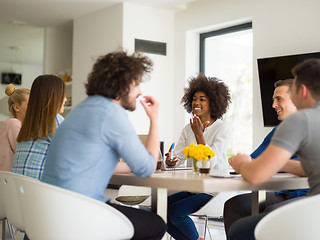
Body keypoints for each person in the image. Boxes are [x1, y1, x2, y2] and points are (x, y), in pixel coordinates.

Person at [41, 50, 166, 240]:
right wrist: (154, 119)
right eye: (137, 84)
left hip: (51, 212)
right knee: (156, 225)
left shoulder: (81, 109)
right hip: (80, 214)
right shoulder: (111, 113)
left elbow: (90, 163)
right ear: (123, 84)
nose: (140, 91)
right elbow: (147, 168)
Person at [227, 58, 320, 240]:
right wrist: (280, 163)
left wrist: (244, 164)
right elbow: (310, 168)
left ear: (301, 91)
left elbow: (255, 176)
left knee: (241, 230)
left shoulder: (300, 119)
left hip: (314, 211)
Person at [166, 73, 231, 240]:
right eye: (194, 98)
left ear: (213, 102)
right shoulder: (188, 128)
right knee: (161, 210)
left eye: (202, 99)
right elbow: (178, 156)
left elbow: (210, 162)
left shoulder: (221, 128)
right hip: (193, 188)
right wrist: (171, 161)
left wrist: (200, 136)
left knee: (175, 212)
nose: (197, 102)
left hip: (213, 190)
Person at [12, 75, 66, 180]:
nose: (65, 99)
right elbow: (74, 156)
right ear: (53, 96)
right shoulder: (54, 119)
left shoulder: (28, 123)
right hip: (39, 192)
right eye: (62, 95)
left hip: (20, 191)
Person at [0, 84, 30, 171]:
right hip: (7, 180)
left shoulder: (8, 123)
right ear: (16, 107)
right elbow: (25, 153)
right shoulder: (13, 124)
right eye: (30, 104)